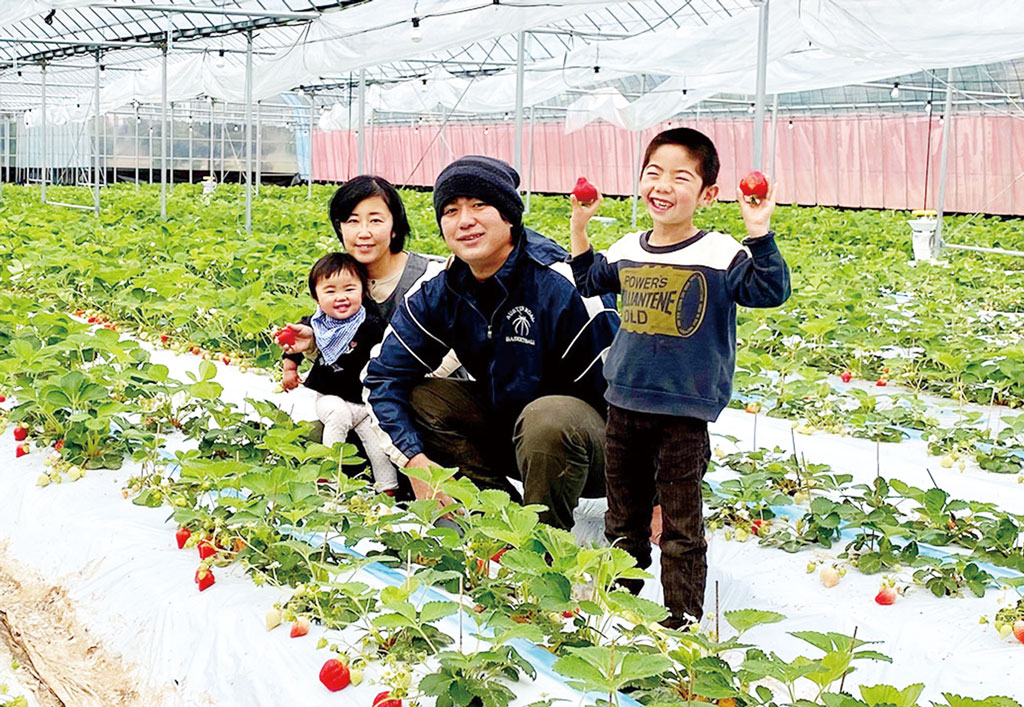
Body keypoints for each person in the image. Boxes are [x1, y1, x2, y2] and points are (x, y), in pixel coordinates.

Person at [568, 127, 791, 627]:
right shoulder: (627, 248)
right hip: (623, 402)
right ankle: (620, 597)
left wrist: (759, 230)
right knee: (621, 513)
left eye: (680, 177)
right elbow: (587, 279)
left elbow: (770, 291)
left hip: (684, 412)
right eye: (653, 173)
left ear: (708, 194)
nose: (662, 185)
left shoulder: (720, 253)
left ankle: (683, 615)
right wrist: (580, 225)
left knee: (681, 522)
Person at [363, 156, 619, 531]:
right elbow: (382, 378)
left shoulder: (564, 287)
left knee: (548, 417)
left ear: (509, 216)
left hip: (595, 452)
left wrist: (656, 494)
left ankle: (542, 548)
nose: (465, 220)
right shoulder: (442, 289)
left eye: (480, 205)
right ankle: (498, 520)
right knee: (421, 398)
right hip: (512, 435)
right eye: (451, 210)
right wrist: (415, 464)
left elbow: (630, 390)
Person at [281, 253, 397, 493]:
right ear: (316, 296)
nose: (341, 297)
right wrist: (289, 370)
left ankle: (388, 488)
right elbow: (292, 347)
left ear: (362, 290)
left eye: (349, 289)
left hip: (365, 401)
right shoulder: (313, 324)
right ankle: (328, 474)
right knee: (338, 416)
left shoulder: (372, 324)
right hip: (329, 396)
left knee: (378, 443)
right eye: (330, 291)